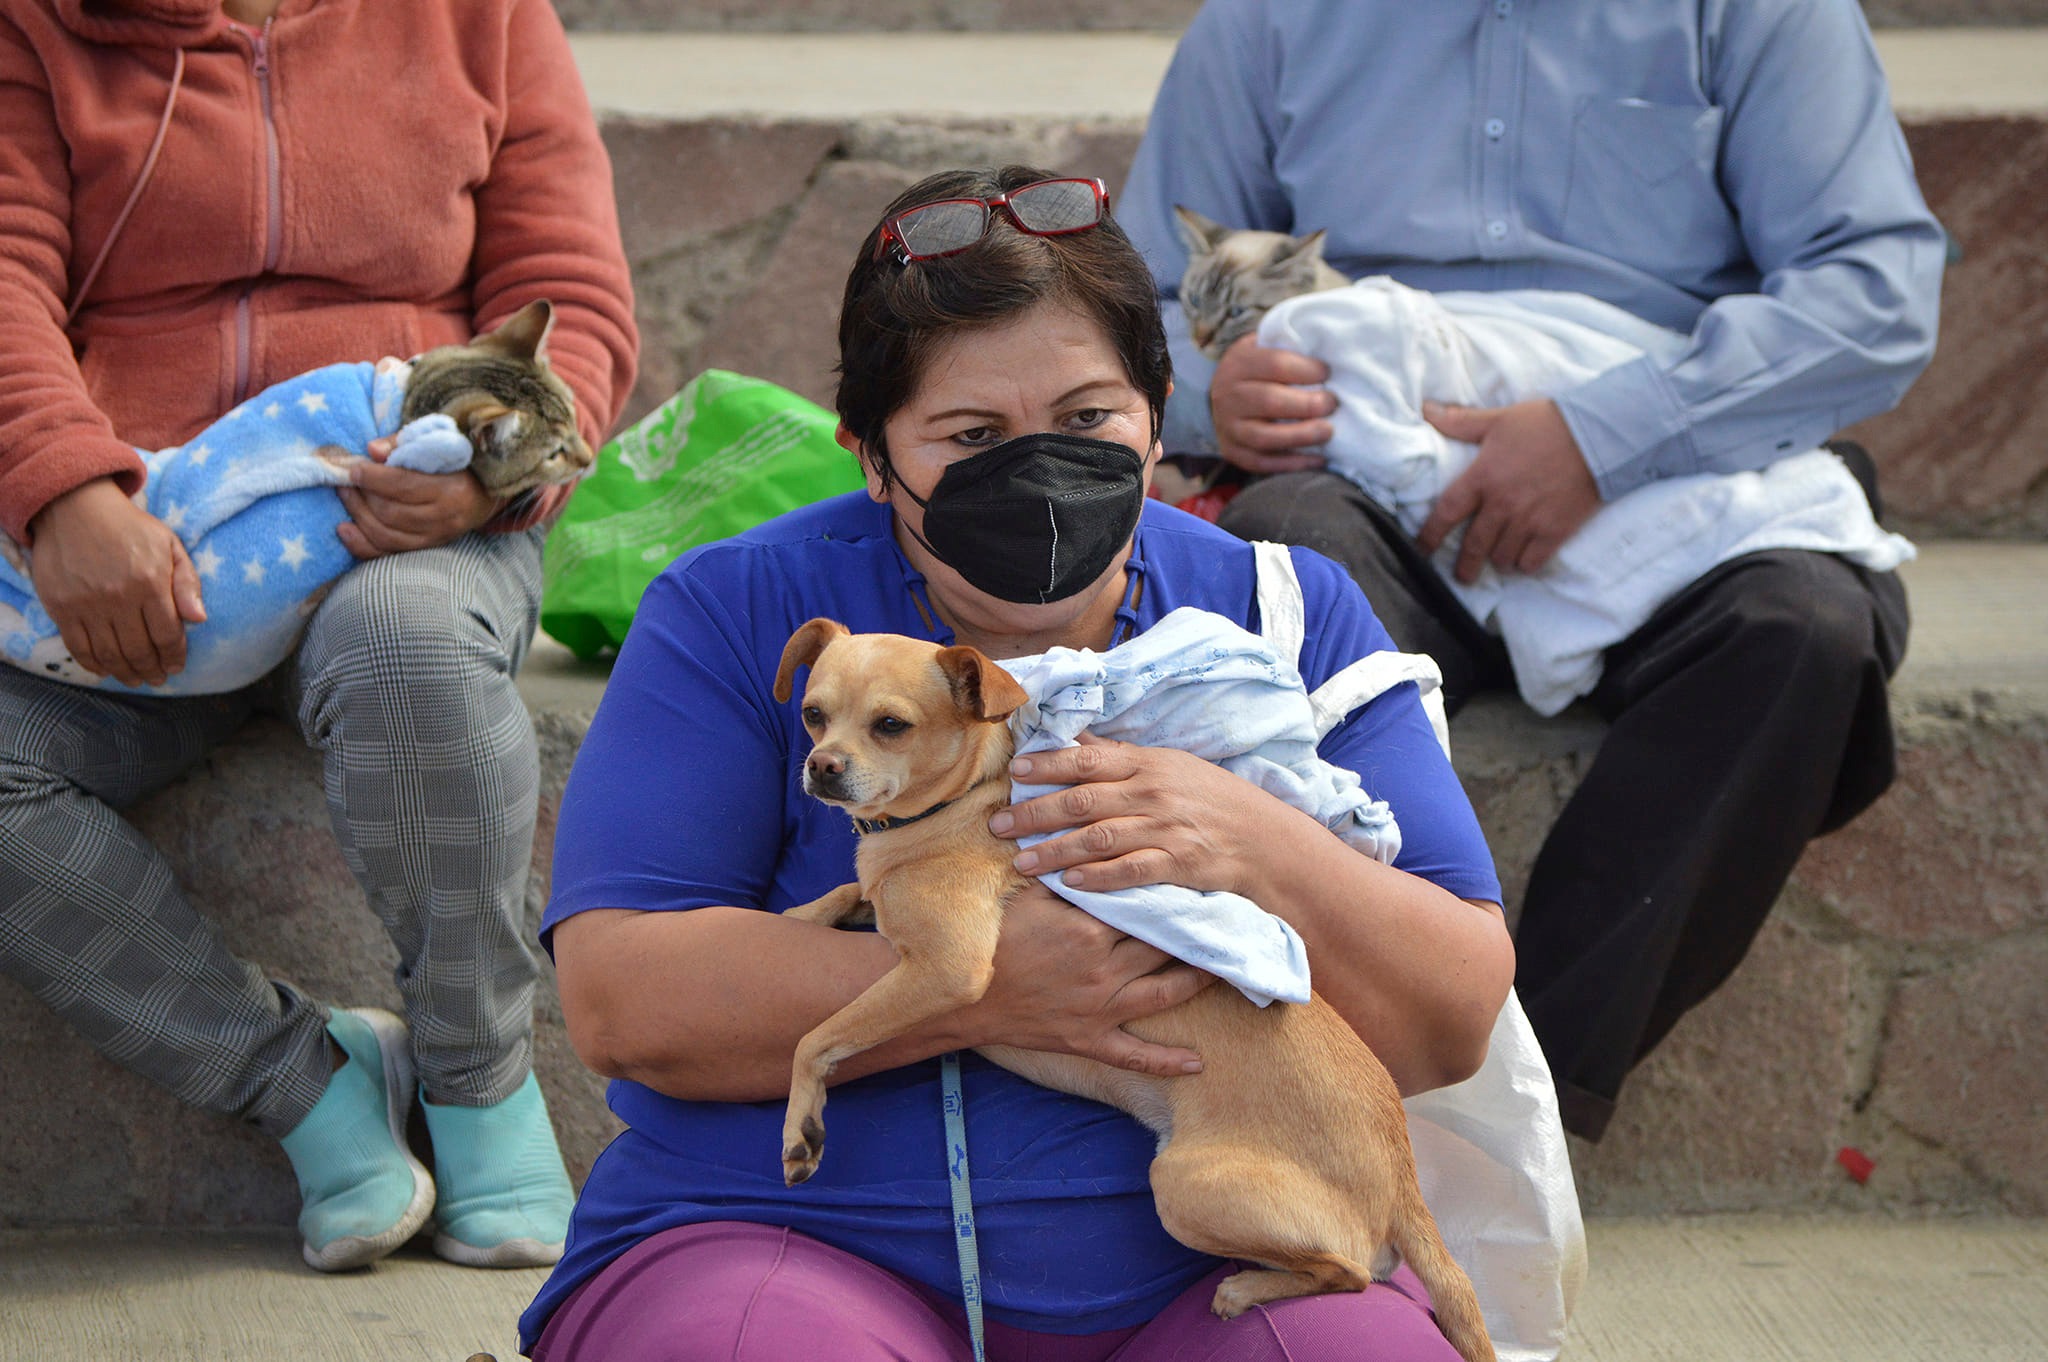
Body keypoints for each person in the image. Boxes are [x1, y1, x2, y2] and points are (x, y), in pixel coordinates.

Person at [523, 165, 1517, 1362]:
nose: (1040, 470)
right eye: (971, 435)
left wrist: (1253, 842)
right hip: (784, 1235)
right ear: (867, 450)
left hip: (1210, 1263)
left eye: (1091, 419)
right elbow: (622, 1001)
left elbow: (1451, 1013)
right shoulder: (743, 610)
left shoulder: (1280, 614)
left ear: (1158, 413)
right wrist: (987, 985)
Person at [1116, 0, 1942, 1141]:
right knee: (1278, 569)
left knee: (1803, 629)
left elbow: (1873, 292)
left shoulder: (1756, 11)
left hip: (1677, 462)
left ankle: (1501, 1113)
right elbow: (1128, 301)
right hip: (1359, 471)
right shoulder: (1263, 22)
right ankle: (1311, 1055)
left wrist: (1607, 437)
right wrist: (1217, 397)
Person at [0, 0, 638, 1270]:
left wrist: (486, 484)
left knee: (407, 650)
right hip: (143, 532)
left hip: (406, 519)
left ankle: (475, 1082)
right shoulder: (34, 25)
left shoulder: (482, 15)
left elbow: (567, 291)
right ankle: (304, 1080)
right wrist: (61, 487)